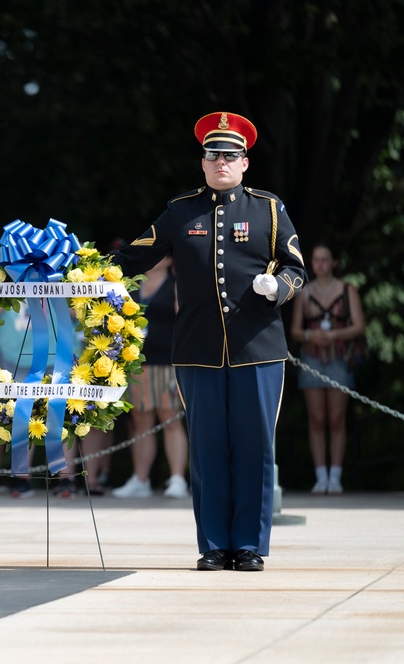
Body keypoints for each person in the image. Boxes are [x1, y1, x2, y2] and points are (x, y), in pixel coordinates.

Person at [113, 112, 306, 572]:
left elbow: (296, 268)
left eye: (230, 155)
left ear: (245, 163)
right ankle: (216, 544)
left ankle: (251, 545)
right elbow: (131, 257)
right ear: (202, 163)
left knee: (255, 446)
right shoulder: (181, 211)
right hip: (198, 350)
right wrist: (75, 271)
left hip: (257, 349)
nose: (221, 161)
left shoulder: (268, 209)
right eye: (213, 154)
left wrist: (278, 288)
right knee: (207, 447)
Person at [112, 255, 190, 499]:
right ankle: (141, 479)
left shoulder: (177, 283)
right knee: (140, 421)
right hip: (137, 364)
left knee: (170, 419)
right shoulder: (132, 284)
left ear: (169, 260)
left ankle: (177, 479)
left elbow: (185, 320)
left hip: (167, 361)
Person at [290, 243, 365, 495]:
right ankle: (320, 476)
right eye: (316, 259)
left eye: (325, 259)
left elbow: (358, 326)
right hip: (311, 359)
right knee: (317, 419)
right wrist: (312, 335)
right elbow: (295, 331)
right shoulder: (304, 292)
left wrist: (333, 335)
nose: (320, 263)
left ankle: (336, 476)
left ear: (334, 262)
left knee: (336, 419)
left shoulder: (347, 290)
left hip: (339, 358)